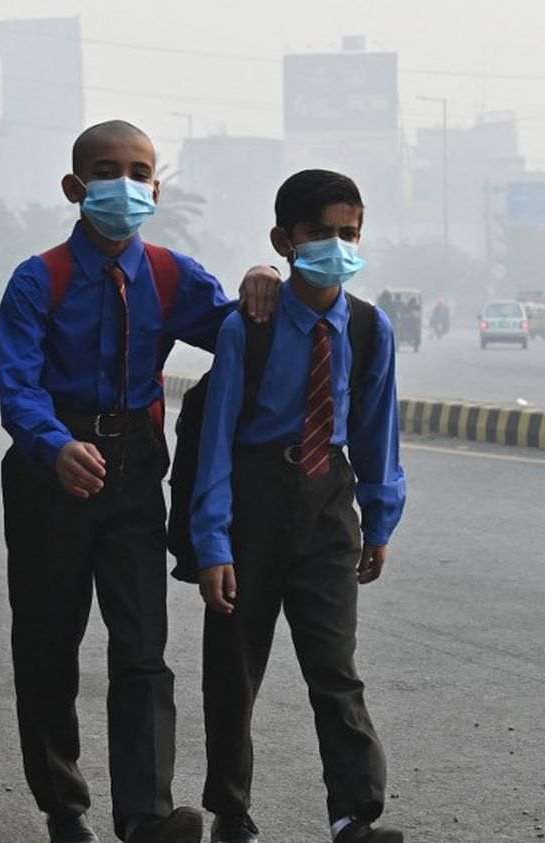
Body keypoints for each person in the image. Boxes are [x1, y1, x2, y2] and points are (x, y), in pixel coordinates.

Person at [0, 119, 282, 843]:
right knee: (48, 647)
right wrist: (54, 444)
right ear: (74, 187)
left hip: (133, 473)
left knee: (143, 649)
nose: (123, 184)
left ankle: (146, 815)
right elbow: (18, 384)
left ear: (156, 187)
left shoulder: (169, 273)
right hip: (49, 477)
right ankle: (64, 806)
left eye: (138, 171)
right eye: (105, 170)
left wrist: (265, 279)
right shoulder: (38, 280)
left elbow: (235, 330)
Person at [190, 170, 406, 843]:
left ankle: (354, 812)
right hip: (254, 496)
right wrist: (213, 544)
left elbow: (377, 432)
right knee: (234, 668)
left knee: (334, 667)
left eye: (348, 233)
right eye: (319, 233)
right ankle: (230, 809)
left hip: (329, 503)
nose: (335, 246)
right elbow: (216, 440)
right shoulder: (246, 329)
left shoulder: (370, 329)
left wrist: (380, 517)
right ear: (284, 239)